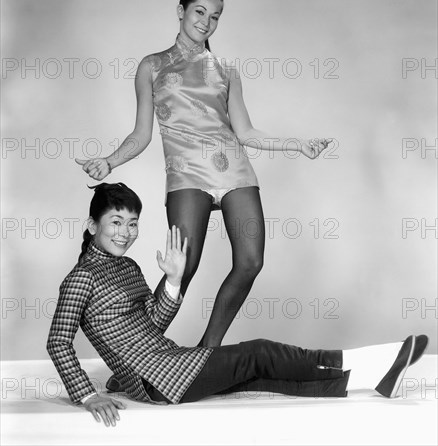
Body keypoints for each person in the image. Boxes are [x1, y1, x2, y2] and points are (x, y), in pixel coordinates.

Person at [75, 0, 333, 347]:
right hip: (186, 173)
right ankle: (140, 352)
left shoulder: (226, 68)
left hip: (234, 169)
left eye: (215, 17)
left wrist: (298, 145)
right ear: (181, 11)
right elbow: (141, 134)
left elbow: (246, 132)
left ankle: (206, 352)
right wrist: (109, 161)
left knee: (250, 262)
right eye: (200, 12)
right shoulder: (152, 66)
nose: (207, 22)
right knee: (185, 266)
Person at [47, 183, 429, 427]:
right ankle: (357, 359)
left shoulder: (127, 267)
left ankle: (371, 377)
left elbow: (152, 323)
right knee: (258, 353)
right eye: (115, 222)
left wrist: (175, 280)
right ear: (93, 225)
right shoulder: (81, 278)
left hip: (167, 365)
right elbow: (58, 342)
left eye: (132, 224)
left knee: (260, 378)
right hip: (162, 378)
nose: (125, 233)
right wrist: (88, 394)